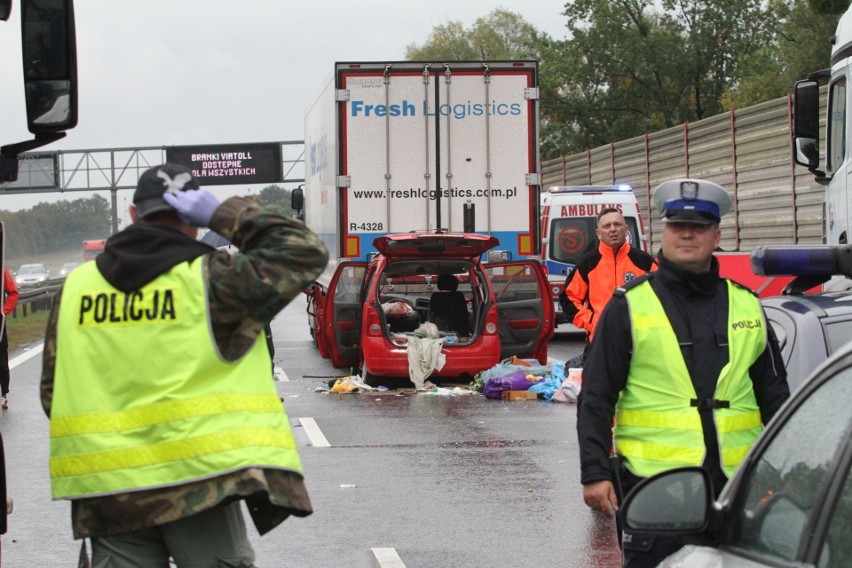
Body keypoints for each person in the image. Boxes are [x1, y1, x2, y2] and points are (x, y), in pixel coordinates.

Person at [40, 163, 329, 567]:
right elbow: (304, 251)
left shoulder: (77, 288)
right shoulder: (212, 280)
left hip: (108, 492)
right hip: (199, 485)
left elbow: (53, 392)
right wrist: (223, 214)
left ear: (133, 214)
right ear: (191, 220)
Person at [577, 178, 790, 567]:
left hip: (739, 489)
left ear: (716, 235)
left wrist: (793, 473)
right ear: (664, 232)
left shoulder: (748, 305)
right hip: (655, 491)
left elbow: (776, 397)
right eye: (677, 226)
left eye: (699, 226)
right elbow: (595, 394)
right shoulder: (628, 306)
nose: (687, 234)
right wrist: (593, 470)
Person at [558, 208, 655, 346]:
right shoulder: (588, 262)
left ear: (626, 229)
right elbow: (568, 298)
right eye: (607, 226)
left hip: (640, 343)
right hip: (600, 343)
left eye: (617, 224)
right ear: (598, 234)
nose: (613, 229)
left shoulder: (644, 261)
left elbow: (664, 296)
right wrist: (592, 321)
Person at [0, 267, 19, 409]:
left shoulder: (3, 271)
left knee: (1, 359)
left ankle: (3, 394)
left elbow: (13, 293)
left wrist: (3, 311)